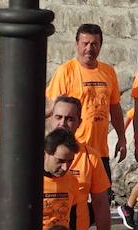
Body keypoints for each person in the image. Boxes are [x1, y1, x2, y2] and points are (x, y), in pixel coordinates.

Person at [48, 95, 112, 230]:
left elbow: (101, 204)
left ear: (79, 122)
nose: (63, 123)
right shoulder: (35, 153)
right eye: (58, 117)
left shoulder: (90, 157)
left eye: (70, 119)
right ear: (51, 118)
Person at [47, 23, 126, 171]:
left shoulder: (108, 72)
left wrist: (122, 138)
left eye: (94, 44)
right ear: (77, 44)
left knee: (105, 194)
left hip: (100, 152)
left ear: (101, 46)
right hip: (73, 150)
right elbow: (55, 112)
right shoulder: (65, 71)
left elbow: (115, 109)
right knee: (73, 193)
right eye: (85, 43)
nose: (89, 48)